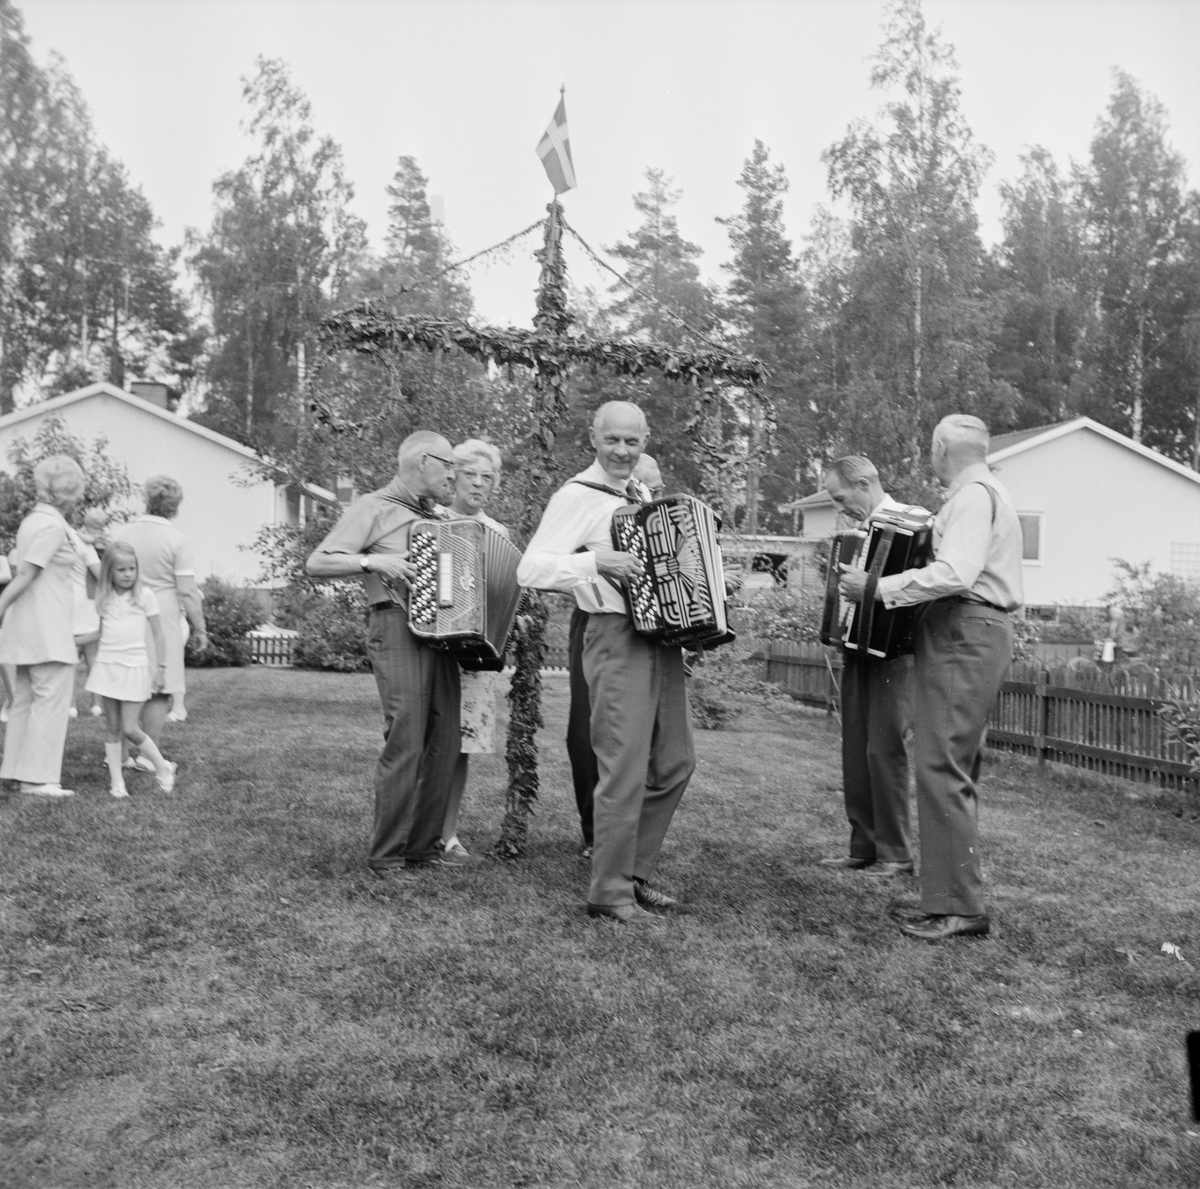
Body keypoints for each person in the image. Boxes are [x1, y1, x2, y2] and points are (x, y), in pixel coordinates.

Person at [839, 415, 1023, 942]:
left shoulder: (971, 496)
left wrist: (877, 586)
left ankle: (960, 908)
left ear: (942, 448)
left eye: (931, 448)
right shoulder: (987, 491)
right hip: (968, 628)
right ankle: (945, 899)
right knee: (948, 766)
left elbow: (956, 572)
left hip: (966, 627)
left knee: (942, 766)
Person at [519, 404, 692, 926]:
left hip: (660, 636)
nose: (621, 451)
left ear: (645, 440)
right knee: (622, 767)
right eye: (611, 440)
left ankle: (631, 872)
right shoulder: (577, 495)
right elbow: (531, 567)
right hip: (614, 635)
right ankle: (609, 893)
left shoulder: (638, 495)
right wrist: (595, 561)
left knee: (675, 760)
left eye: (631, 442)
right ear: (592, 437)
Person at [306, 430, 468, 875]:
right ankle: (387, 853)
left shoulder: (436, 516)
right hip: (396, 625)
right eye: (448, 464)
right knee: (407, 733)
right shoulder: (372, 507)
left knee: (447, 738)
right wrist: (373, 561)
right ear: (421, 461)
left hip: (443, 631)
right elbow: (317, 562)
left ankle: (422, 847)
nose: (453, 474)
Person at [819, 456, 927, 879]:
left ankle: (896, 853)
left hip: (895, 654)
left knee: (886, 749)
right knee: (856, 747)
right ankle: (863, 845)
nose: (840, 508)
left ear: (864, 484)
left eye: (842, 497)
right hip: (856, 650)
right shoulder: (856, 532)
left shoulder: (916, 523)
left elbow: (924, 583)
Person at [564, 451, 666, 858]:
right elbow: (558, 563)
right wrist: (594, 572)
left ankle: (631, 831)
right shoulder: (591, 510)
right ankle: (596, 833)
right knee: (586, 731)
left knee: (645, 736)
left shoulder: (661, 522)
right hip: (596, 620)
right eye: (648, 486)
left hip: (652, 628)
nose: (654, 494)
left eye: (657, 487)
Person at [0, 456, 89, 796]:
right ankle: (37, 779)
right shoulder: (52, 526)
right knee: (49, 701)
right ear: (69, 490)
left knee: (25, 698)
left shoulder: (32, 520)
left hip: (27, 625)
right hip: (46, 625)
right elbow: (26, 573)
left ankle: (15, 770)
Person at [440, 438, 509, 859]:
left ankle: (448, 834)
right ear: (453, 477)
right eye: (471, 475)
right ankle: (418, 828)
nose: (479, 484)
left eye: (487, 478)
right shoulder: (431, 521)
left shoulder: (497, 532)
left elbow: (506, 587)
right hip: (433, 648)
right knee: (430, 739)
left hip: (477, 655)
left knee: (463, 743)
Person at [111, 476, 209, 766]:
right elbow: (188, 591)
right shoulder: (176, 540)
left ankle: (118, 754)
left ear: (147, 499)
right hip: (162, 621)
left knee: (122, 685)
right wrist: (201, 627)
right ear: (175, 506)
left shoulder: (123, 533)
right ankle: (145, 756)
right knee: (160, 689)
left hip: (125, 614)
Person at [85, 541, 178, 798]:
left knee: (130, 728)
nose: (128, 574)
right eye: (121, 570)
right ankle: (117, 783)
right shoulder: (104, 598)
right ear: (109, 572)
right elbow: (101, 633)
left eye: (132, 569)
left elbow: (159, 635)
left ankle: (163, 767)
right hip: (107, 666)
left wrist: (161, 668)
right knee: (112, 727)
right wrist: (72, 640)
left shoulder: (145, 596)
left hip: (134, 666)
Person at [71, 506, 107, 719]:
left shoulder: (71, 537)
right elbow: (100, 573)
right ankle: (96, 705)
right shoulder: (89, 545)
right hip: (87, 601)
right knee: (92, 654)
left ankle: (71, 705)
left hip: (69, 600)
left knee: (71, 655)